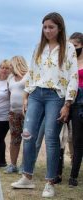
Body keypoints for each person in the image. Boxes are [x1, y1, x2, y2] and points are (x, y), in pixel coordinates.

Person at [11, 12, 78, 198]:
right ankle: (27, 177)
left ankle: (50, 182)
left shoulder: (69, 48)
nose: (47, 30)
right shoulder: (38, 47)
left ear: (60, 28)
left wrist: (68, 103)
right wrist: (25, 96)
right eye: (45, 27)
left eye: (51, 27)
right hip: (35, 94)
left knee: (51, 138)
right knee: (28, 135)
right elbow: (31, 73)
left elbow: (73, 76)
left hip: (55, 96)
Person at [4, 56, 28, 174]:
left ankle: (25, 165)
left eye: (11, 66)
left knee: (28, 139)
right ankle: (13, 165)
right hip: (14, 113)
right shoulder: (10, 79)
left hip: (27, 112)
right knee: (14, 139)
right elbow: (10, 94)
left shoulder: (28, 76)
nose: (9, 68)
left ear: (17, 64)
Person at [68, 32, 83, 187]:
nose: (73, 49)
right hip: (67, 101)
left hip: (80, 103)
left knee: (78, 139)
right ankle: (56, 172)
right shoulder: (69, 61)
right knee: (62, 138)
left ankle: (74, 175)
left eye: (76, 46)